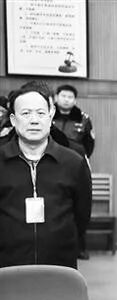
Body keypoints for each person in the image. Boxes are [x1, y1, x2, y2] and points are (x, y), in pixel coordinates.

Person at [0, 81, 91, 269]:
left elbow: (82, 216)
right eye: (26, 113)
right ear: (13, 120)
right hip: (8, 267)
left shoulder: (74, 162)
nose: (34, 120)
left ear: (50, 117)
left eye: (41, 113)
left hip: (60, 265)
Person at [52, 84, 95, 159]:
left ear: (75, 101)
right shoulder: (48, 116)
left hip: (74, 159)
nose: (66, 100)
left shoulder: (83, 119)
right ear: (56, 98)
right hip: (50, 158)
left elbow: (89, 144)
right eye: (63, 96)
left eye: (70, 97)